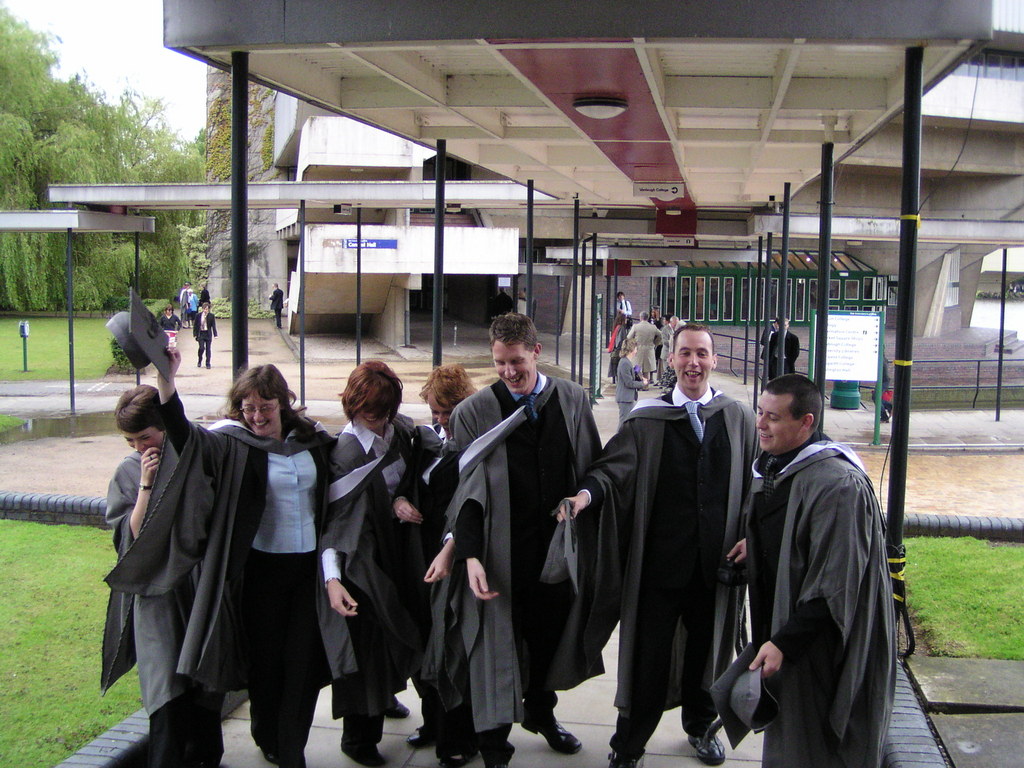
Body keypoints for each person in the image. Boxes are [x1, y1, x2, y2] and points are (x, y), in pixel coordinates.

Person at [564, 323, 757, 768]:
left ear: (714, 360)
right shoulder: (647, 420)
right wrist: (586, 494)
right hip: (658, 570)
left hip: (717, 569)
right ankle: (629, 745)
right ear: (671, 359)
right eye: (685, 353)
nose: (694, 362)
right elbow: (612, 469)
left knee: (706, 657)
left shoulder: (738, 418)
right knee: (648, 661)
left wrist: (752, 534)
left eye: (702, 353)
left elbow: (758, 483)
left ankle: (700, 727)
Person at [431, 312, 611, 768]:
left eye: (517, 361)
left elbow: (592, 465)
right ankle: (495, 744)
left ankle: (541, 714)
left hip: (555, 553)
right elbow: (464, 494)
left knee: (547, 642)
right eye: (500, 363)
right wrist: (469, 553)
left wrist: (583, 497)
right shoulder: (474, 413)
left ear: (536, 352)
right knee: (496, 648)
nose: (509, 372)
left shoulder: (571, 399)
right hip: (499, 554)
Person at [736, 374, 895, 767]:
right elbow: (797, 535)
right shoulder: (777, 465)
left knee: (813, 745)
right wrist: (757, 542)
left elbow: (837, 583)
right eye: (759, 412)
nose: (760, 424)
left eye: (773, 417)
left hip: (819, 644)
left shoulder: (839, 485)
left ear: (806, 422)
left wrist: (784, 643)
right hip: (786, 632)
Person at [101, 385, 224, 768]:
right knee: (165, 687)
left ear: (164, 427)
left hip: (197, 585)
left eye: (145, 437)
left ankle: (205, 757)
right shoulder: (128, 471)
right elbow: (131, 536)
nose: (140, 447)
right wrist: (145, 485)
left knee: (204, 682)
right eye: (131, 441)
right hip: (155, 596)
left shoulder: (193, 457)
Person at [320, 361, 424, 767]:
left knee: (391, 638)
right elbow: (335, 522)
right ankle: (358, 737)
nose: (376, 418)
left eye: (382, 410)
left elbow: (411, 477)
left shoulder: (400, 433)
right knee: (366, 648)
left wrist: (401, 501)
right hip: (360, 561)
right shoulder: (345, 453)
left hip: (396, 551)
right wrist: (332, 578)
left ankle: (384, 699)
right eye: (367, 410)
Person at [400, 364, 480, 768]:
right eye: (435, 411)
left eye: (448, 411)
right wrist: (400, 501)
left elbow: (476, 505)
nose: (441, 418)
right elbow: (407, 484)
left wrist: (453, 545)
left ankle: (458, 736)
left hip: (457, 558)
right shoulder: (426, 441)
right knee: (425, 640)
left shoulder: (477, 446)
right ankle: (432, 722)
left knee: (453, 648)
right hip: (421, 554)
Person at [614, 338, 646, 426]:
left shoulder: (626, 362)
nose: (636, 351)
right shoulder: (625, 363)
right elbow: (629, 383)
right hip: (625, 398)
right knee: (624, 423)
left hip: (628, 398)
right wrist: (642, 384)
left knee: (627, 422)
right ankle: (619, 435)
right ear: (631, 349)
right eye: (636, 349)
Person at [626, 312, 660, 381]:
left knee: (637, 368)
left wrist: (633, 345)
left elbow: (628, 337)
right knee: (647, 370)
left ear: (640, 317)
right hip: (649, 349)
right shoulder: (653, 327)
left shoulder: (636, 327)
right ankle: (646, 384)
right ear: (647, 318)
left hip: (638, 349)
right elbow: (661, 335)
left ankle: (639, 382)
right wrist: (655, 343)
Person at [193, 301, 217, 369]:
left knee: (208, 349)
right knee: (201, 348)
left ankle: (208, 363)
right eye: (204, 309)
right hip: (201, 333)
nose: (205, 310)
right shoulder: (198, 315)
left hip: (208, 334)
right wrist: (195, 334)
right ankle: (199, 360)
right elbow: (195, 325)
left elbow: (213, 326)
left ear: (209, 309)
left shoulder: (211, 316)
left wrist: (215, 334)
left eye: (207, 309)